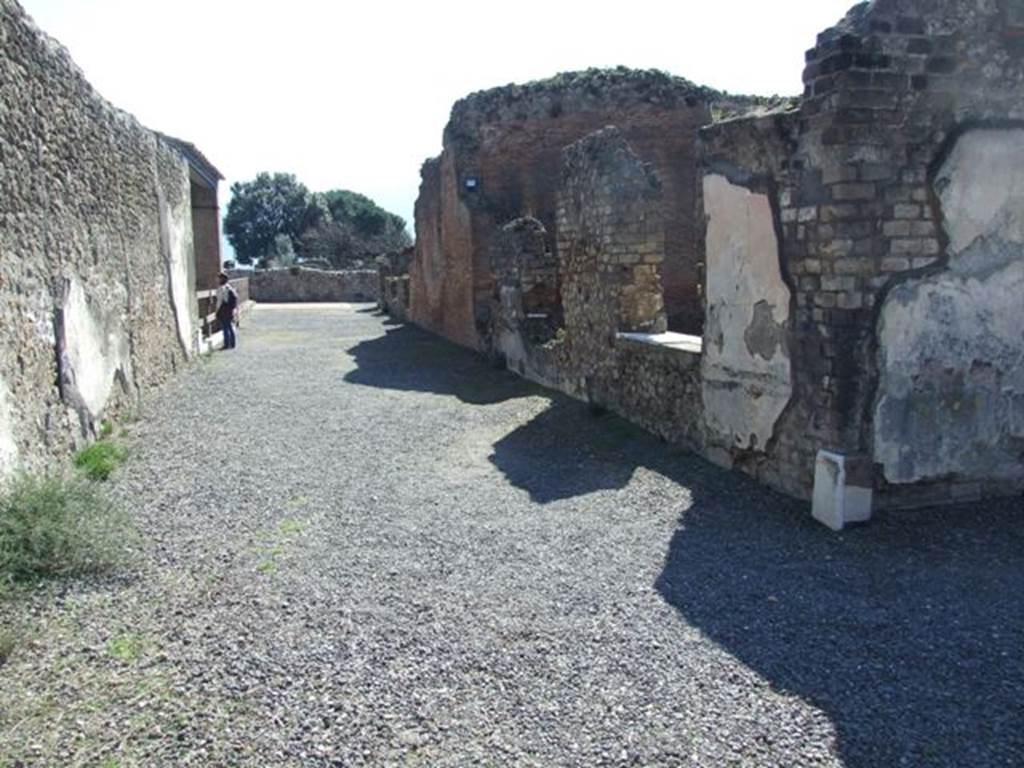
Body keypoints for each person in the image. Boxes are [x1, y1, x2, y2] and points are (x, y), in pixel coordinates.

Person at [215, 272, 238, 349]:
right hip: (230, 309)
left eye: (218, 278)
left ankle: (226, 344)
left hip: (224, 309)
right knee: (230, 326)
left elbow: (219, 301)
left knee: (225, 327)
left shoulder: (221, 288)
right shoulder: (230, 287)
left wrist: (216, 311)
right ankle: (232, 343)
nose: (217, 279)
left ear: (221, 279)